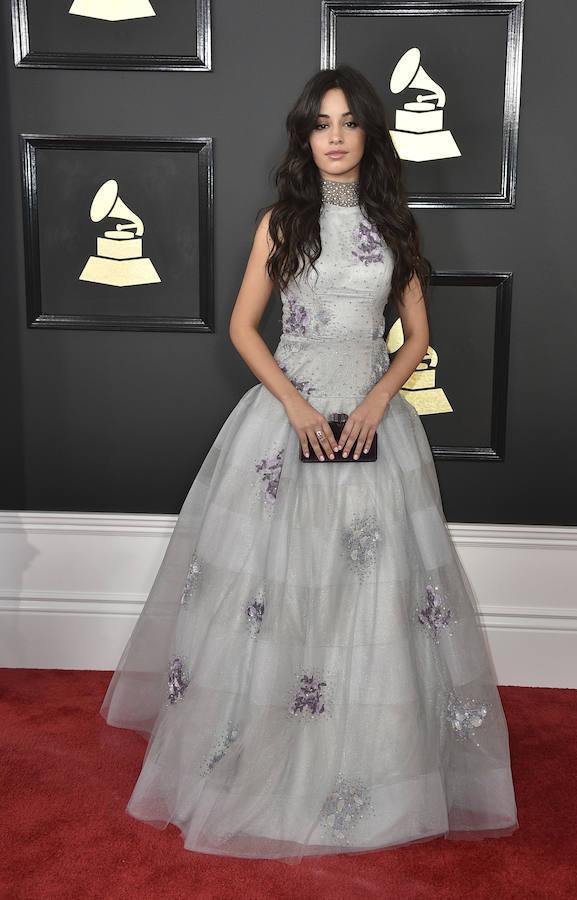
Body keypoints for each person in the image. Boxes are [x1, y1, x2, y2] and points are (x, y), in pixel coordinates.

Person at [99, 64, 519, 863]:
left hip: (370, 428)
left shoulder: (396, 228)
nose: (333, 136)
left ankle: (366, 767)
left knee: (367, 596)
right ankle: (261, 759)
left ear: (369, 134)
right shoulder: (278, 224)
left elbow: (420, 339)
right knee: (275, 593)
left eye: (348, 122)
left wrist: (376, 402)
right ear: (305, 136)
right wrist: (293, 402)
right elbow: (243, 329)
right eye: (320, 123)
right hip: (281, 428)